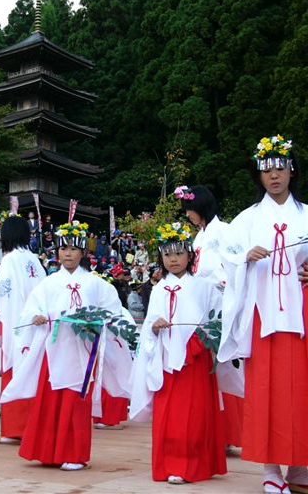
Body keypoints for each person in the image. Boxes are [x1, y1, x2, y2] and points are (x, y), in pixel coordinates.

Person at [0, 220, 133, 470]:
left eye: (73, 249)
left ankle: (74, 453)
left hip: (81, 353)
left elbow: (115, 313)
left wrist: (98, 322)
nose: (67, 253)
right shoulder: (48, 283)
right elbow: (30, 311)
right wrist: (36, 318)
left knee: (76, 402)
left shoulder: (96, 284)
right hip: (54, 350)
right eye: (63, 249)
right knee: (50, 401)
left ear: (82, 252)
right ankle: (47, 452)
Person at [218, 135, 308, 494]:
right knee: (266, 389)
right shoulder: (247, 219)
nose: (274, 176)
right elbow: (229, 254)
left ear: (291, 171)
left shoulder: (306, 215)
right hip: (262, 313)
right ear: (259, 176)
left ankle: (300, 467)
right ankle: (271, 470)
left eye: (280, 168)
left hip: (301, 312)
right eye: (267, 170)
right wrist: (245, 258)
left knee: (302, 390)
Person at [130, 222, 226, 484]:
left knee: (193, 416)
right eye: (167, 254)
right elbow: (149, 323)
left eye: (179, 253)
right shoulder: (159, 288)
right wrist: (155, 327)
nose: (173, 259)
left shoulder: (205, 287)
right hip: (165, 359)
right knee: (168, 417)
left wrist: (202, 338)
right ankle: (168, 464)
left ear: (190, 255)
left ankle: (192, 465)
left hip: (195, 358)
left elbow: (217, 320)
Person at [179, 183, 244, 448]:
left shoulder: (226, 231)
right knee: (210, 369)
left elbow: (236, 267)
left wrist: (224, 284)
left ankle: (231, 434)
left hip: (222, 304)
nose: (187, 215)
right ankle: (215, 432)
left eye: (189, 210)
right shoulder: (198, 238)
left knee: (226, 368)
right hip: (202, 307)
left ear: (200, 207)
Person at [0, 216, 45, 444]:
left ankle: (14, 428)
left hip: (15, 321)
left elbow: (3, 297)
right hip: (36, 323)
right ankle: (33, 428)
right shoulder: (35, 260)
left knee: (13, 369)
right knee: (33, 370)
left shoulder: (9, 260)